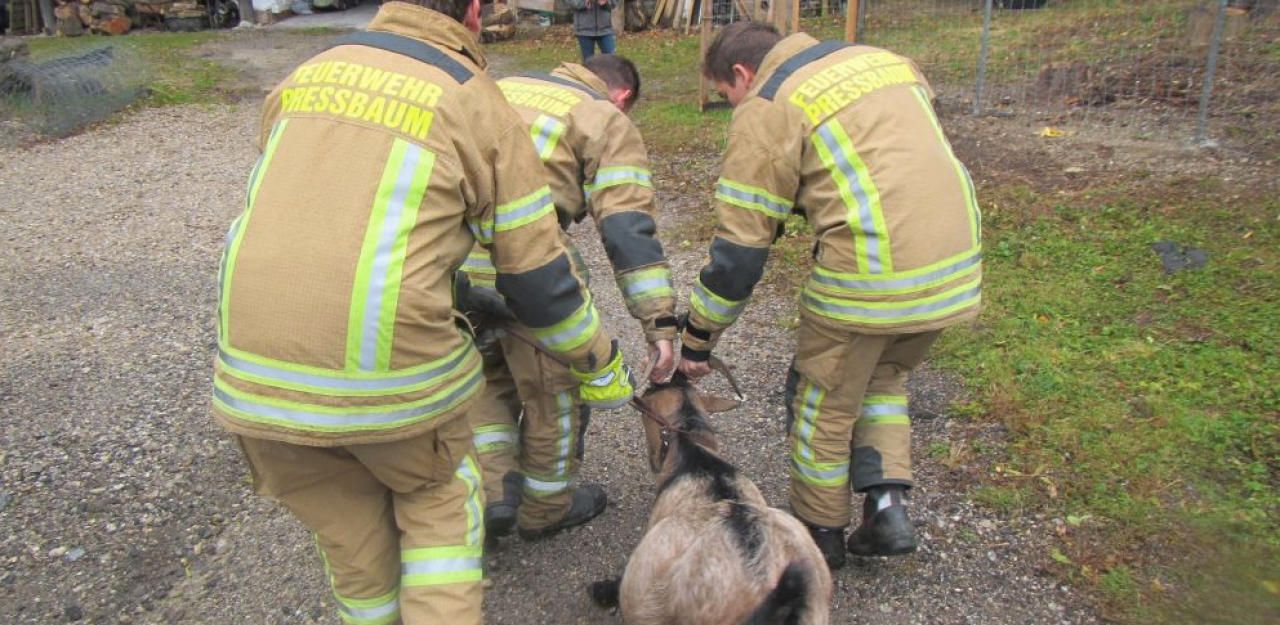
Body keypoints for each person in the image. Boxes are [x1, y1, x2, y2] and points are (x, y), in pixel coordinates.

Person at [210, 1, 634, 623]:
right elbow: (538, 277)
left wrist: (458, 292)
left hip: (252, 380)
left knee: (353, 545)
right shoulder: (471, 98)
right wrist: (599, 361)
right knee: (438, 509)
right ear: (473, 12)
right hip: (388, 376)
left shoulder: (308, 73)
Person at [676, 22, 982, 571]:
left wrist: (697, 339)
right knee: (882, 376)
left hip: (870, 277)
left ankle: (821, 538)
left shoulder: (770, 103)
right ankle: (887, 509)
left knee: (823, 402)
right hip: (954, 266)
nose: (731, 105)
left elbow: (740, 254)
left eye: (726, 95)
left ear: (741, 75)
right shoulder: (883, 59)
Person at [460, 54, 677, 541]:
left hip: (451, 261)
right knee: (554, 389)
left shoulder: (497, 86)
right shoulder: (602, 117)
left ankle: (493, 491)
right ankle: (546, 506)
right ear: (622, 97)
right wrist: (658, 323)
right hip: (526, 262)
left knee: (483, 378)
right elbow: (628, 230)